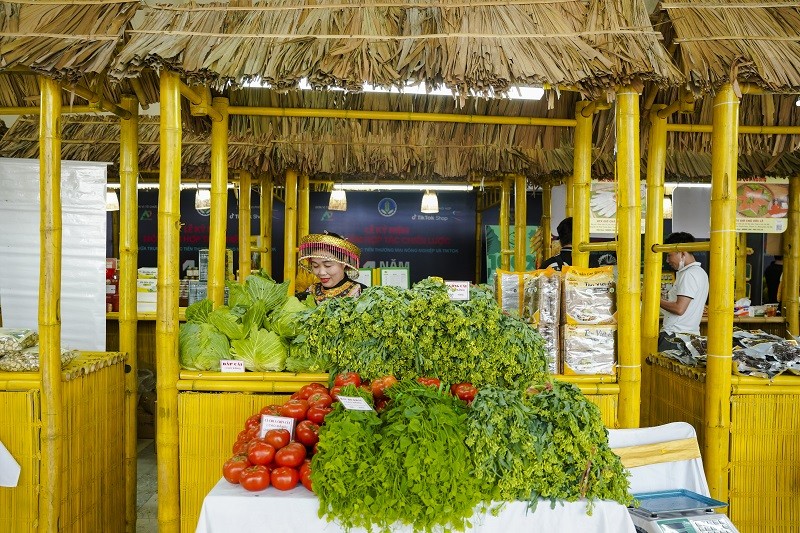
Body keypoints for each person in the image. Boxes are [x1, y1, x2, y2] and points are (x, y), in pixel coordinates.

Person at [659, 232, 709, 348]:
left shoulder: (689, 274)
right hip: (687, 336)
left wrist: (652, 299)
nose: (667, 260)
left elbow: (679, 309)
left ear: (682, 253)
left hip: (675, 338)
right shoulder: (699, 272)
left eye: (669, 255)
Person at [297, 231, 367, 304]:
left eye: (328, 265)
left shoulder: (361, 292)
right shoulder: (310, 291)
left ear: (344, 262)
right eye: (315, 266)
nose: (321, 272)